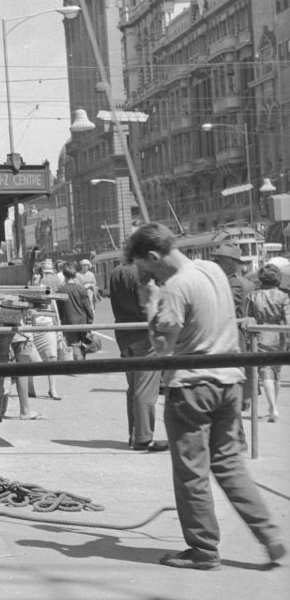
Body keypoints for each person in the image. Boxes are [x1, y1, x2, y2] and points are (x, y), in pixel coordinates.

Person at [123, 223, 285, 569]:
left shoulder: (175, 289)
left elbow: (162, 350)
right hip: (229, 383)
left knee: (191, 473)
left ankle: (203, 550)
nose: (146, 275)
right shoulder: (211, 269)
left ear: (154, 256)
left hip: (191, 390)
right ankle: (269, 535)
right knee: (229, 465)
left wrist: (150, 306)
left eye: (144, 267)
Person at [108, 261, 166, 451]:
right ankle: (143, 437)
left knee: (133, 388)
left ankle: (133, 434)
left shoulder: (116, 272)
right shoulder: (142, 272)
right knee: (146, 389)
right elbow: (147, 306)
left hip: (123, 334)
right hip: (143, 334)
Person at [211, 243, 255, 413]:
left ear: (229, 263)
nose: (214, 261)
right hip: (224, 336)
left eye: (218, 259)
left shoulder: (234, 284)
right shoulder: (222, 280)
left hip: (233, 337)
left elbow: (222, 306)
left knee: (234, 376)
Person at [246, 263, 290, 422]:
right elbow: (288, 319)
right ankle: (273, 407)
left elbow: (248, 318)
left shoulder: (253, 296)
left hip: (260, 334)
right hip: (279, 335)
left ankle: (273, 406)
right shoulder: (284, 296)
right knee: (276, 371)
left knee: (265, 371)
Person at [58, 264, 93, 359]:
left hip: (69, 322)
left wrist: (60, 321)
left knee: (74, 344)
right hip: (83, 321)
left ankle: (79, 366)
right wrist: (90, 322)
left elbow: (59, 310)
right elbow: (88, 308)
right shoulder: (81, 289)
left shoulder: (61, 291)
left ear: (64, 276)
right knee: (83, 343)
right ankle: (82, 362)